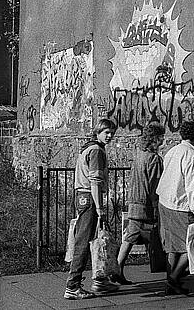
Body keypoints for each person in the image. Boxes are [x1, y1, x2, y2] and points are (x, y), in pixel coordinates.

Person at [64, 118, 119, 300]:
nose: (110, 136)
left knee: (90, 241)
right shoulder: (96, 151)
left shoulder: (88, 147)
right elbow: (95, 182)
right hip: (89, 197)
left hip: (82, 196)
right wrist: (99, 207)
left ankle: (100, 280)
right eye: (106, 133)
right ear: (98, 132)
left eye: (112, 132)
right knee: (84, 243)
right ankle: (73, 286)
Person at [156, 120, 194, 295]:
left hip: (165, 201)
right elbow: (192, 185)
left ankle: (171, 280)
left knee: (173, 246)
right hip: (181, 205)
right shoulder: (191, 155)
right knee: (191, 246)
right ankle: (173, 279)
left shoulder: (172, 151)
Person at [112, 122, 165, 285]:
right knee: (133, 235)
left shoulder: (138, 154)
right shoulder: (154, 159)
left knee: (132, 234)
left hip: (134, 199)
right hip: (145, 202)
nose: (162, 141)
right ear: (154, 139)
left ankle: (117, 269)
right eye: (160, 138)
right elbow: (155, 185)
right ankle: (116, 268)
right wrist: (157, 205)